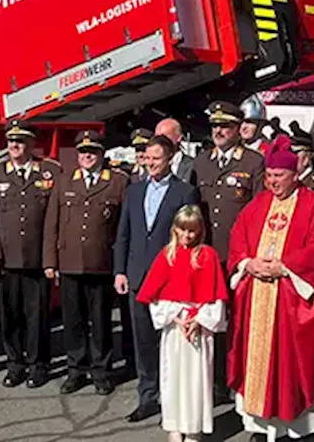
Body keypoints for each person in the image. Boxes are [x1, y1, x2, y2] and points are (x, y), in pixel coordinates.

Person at [227, 135, 314, 440]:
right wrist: (247, 264)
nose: (272, 182)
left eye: (279, 176)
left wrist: (284, 266)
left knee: (289, 364)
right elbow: (238, 236)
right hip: (257, 296)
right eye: (268, 176)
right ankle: (261, 424)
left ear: (295, 175)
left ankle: (295, 425)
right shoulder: (259, 203)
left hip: (291, 298)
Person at [113, 135, 201, 424]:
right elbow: (123, 233)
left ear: (170, 158)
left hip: (170, 279)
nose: (150, 163)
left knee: (173, 342)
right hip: (138, 277)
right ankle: (147, 396)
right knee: (144, 343)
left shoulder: (185, 192)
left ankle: (174, 397)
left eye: (156, 158)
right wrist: (120, 271)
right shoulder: (134, 191)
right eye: (147, 158)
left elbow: (193, 239)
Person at [190, 100, 265, 403]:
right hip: (207, 256)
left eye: (226, 126)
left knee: (236, 321)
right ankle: (214, 380)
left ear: (238, 129)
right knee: (209, 319)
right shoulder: (201, 162)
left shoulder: (252, 162)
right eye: (215, 126)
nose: (219, 131)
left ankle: (237, 378)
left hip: (236, 257)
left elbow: (258, 212)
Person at [43, 129, 128, 395]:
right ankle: (76, 370)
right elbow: (51, 225)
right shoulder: (65, 181)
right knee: (74, 321)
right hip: (69, 263)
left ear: (102, 154)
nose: (87, 156)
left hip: (101, 264)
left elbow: (123, 228)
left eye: (92, 151)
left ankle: (102, 371)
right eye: (82, 151)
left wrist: (120, 266)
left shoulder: (117, 182)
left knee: (101, 321)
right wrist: (49, 261)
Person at [135, 205, 229, 442]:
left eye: (192, 231)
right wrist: (175, 318)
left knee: (197, 378)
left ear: (200, 231)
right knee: (172, 376)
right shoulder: (167, 254)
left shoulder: (207, 255)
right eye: (182, 230)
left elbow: (217, 297)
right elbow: (153, 297)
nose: (187, 236)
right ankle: (174, 424)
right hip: (175, 328)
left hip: (199, 327)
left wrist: (198, 320)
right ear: (174, 229)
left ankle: (194, 427)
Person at [0, 119, 60, 389]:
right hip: (7, 259)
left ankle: (39, 365)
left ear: (31, 144)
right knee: (10, 316)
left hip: (38, 258)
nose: (14, 145)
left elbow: (54, 217)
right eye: (11, 141)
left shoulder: (49, 172)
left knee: (37, 316)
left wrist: (52, 258)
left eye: (20, 141)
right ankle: (15, 365)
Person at [156, 118, 195, 183]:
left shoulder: (193, 166)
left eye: (165, 137)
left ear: (178, 138)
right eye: (157, 138)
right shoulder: (151, 167)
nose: (160, 142)